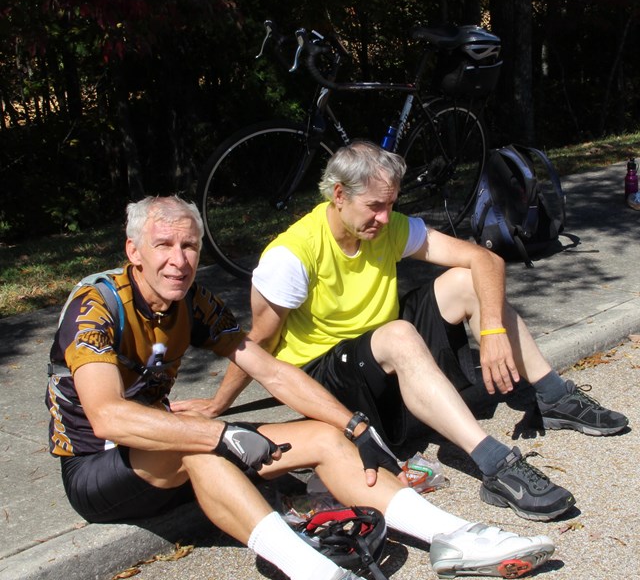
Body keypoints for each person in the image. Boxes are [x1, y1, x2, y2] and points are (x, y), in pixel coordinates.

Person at [45, 196, 556, 580]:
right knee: (197, 442)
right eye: (162, 245)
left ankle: (451, 536)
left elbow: (270, 370)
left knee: (327, 439)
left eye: (189, 245)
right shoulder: (96, 304)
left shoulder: (192, 302)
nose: (178, 260)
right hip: (99, 470)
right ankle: (312, 572)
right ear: (133, 250)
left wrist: (352, 425)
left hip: (167, 450)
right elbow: (108, 416)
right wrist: (218, 435)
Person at [208, 140, 629, 523]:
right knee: (399, 333)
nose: (385, 217)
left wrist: (494, 330)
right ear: (338, 195)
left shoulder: (384, 227)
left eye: (390, 204)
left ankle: (553, 395)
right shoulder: (291, 255)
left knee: (466, 282)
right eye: (374, 206)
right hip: (331, 380)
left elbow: (486, 260)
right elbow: (257, 342)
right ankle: (495, 463)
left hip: (384, 353)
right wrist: (217, 405)